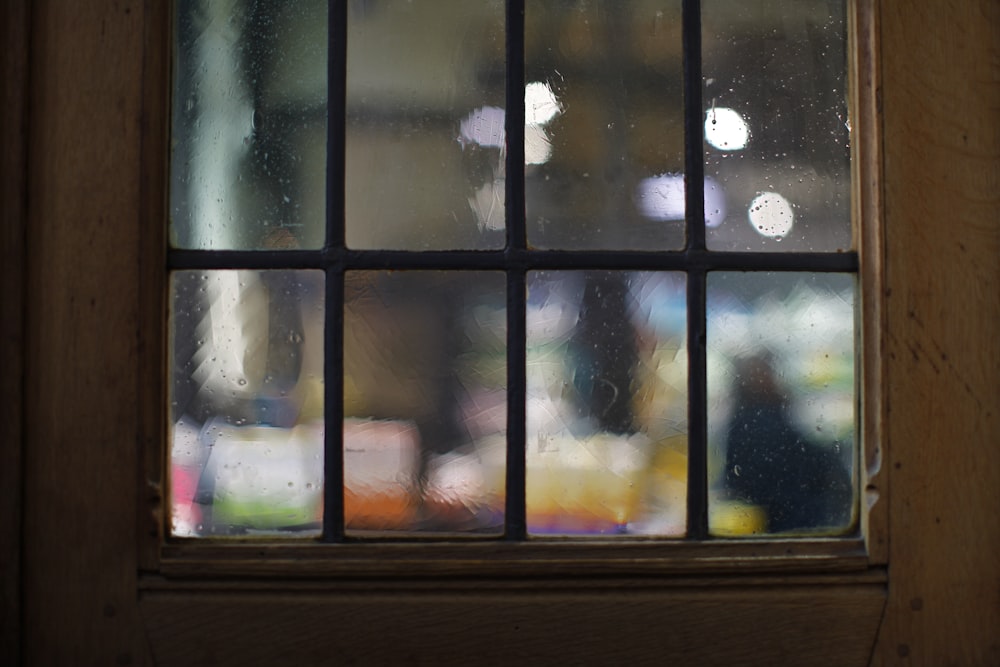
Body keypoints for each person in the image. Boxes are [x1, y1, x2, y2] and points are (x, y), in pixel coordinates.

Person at [723, 354, 852, 533]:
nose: (773, 377)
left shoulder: (744, 418)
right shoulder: (759, 418)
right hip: (792, 514)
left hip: (774, 515)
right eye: (767, 371)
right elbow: (796, 457)